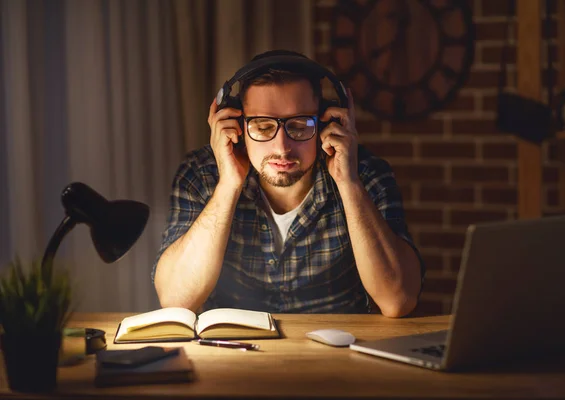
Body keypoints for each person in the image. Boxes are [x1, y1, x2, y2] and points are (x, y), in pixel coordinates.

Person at [152, 50, 424, 317]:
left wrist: (349, 183)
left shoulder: (365, 174)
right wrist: (228, 186)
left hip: (338, 353)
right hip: (230, 353)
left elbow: (398, 300)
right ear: (236, 124)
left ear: (328, 120)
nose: (282, 147)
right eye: (262, 125)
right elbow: (177, 300)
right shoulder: (200, 175)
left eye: (300, 124)